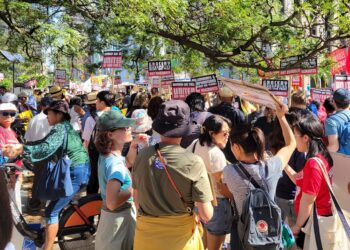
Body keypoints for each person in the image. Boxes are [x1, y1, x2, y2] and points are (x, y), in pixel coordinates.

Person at [3, 100, 90, 250]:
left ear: (58, 114)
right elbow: (42, 142)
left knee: (51, 211)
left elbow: (45, 148)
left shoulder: (60, 128)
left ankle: (47, 248)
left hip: (76, 172)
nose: (47, 116)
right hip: (79, 169)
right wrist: (23, 148)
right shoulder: (63, 127)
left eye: (49, 113)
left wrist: (20, 149)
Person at [132, 100, 214, 250]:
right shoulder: (194, 162)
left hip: (146, 239)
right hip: (181, 240)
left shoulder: (142, 156)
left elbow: (137, 201)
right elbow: (206, 215)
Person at [223, 104, 296, 250]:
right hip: (271, 235)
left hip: (246, 237)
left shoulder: (230, 172)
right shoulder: (272, 166)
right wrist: (281, 117)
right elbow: (291, 143)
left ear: (237, 147)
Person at [94, 110, 147, 250]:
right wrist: (133, 188)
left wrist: (134, 145)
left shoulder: (109, 156)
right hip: (119, 222)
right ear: (110, 134)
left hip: (112, 220)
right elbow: (112, 202)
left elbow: (128, 162)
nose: (128, 129)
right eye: (124, 128)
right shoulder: (115, 163)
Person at [284, 115, 333, 248]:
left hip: (314, 222)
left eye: (295, 136)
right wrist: (284, 165)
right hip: (316, 219)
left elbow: (308, 200)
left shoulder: (313, 164)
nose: (294, 140)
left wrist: (298, 226)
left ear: (305, 138)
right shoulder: (320, 156)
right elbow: (299, 181)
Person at [187, 115, 233, 250]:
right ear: (212, 133)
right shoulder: (216, 154)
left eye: (229, 132)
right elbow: (221, 185)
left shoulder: (195, 143)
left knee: (202, 244)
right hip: (216, 204)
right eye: (225, 133)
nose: (227, 136)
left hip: (198, 202)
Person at [24, 96, 53, 211]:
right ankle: (49, 204)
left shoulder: (34, 119)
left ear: (41, 106)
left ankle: (34, 202)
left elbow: (28, 139)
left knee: (38, 178)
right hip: (51, 153)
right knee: (52, 177)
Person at [208, 87, 246, 163]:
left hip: (214, 150)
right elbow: (244, 134)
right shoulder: (238, 113)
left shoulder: (211, 111)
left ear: (219, 97)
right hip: (234, 152)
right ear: (232, 98)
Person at [325, 88, 350, 155]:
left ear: (333, 102)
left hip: (343, 160)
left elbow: (334, 147)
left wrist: (319, 153)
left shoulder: (331, 121)